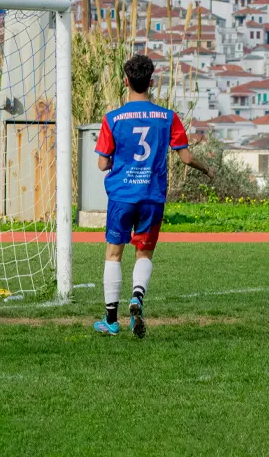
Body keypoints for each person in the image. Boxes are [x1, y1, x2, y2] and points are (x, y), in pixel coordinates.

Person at [92, 54, 213, 338]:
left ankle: (111, 320)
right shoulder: (168, 117)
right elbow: (185, 158)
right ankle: (137, 298)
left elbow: (102, 164)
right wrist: (207, 168)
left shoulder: (113, 119)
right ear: (152, 82)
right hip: (152, 196)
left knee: (113, 254)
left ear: (126, 82)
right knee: (143, 252)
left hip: (122, 196)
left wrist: (115, 162)